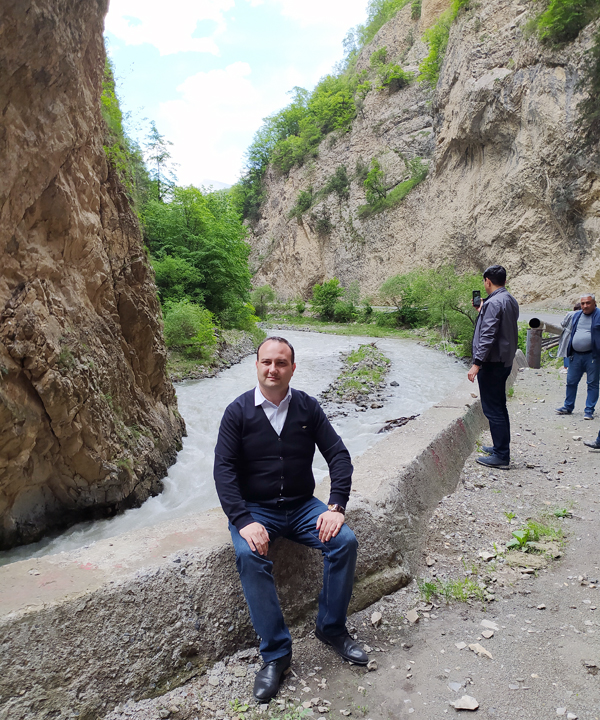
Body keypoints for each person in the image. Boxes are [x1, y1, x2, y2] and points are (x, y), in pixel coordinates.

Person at [213, 336, 368, 703]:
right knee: (250, 555)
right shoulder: (237, 412)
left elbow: (339, 456)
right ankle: (277, 654)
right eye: (267, 362)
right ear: (256, 365)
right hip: (255, 510)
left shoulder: (307, 408)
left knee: (344, 542)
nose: (273, 369)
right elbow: (224, 472)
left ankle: (331, 628)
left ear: (293, 368)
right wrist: (243, 519)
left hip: (302, 507)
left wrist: (336, 506)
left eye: (281, 363)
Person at [467, 265, 519, 469]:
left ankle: (501, 456)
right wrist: (482, 311)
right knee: (499, 406)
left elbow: (488, 336)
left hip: (492, 363)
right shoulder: (509, 299)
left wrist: (476, 364)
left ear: (487, 281)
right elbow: (501, 327)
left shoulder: (493, 302)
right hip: (504, 361)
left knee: (493, 409)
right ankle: (500, 448)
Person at [556, 294, 600, 421]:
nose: (585, 306)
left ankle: (589, 410)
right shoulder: (577, 315)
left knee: (592, 383)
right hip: (575, 355)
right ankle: (568, 406)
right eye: (582, 303)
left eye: (588, 303)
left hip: (592, 356)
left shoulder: (599, 315)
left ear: (594, 303)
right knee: (571, 381)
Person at [557, 303, 582, 374]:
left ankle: (566, 367)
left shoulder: (570, 313)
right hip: (578, 334)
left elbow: (563, 323)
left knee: (566, 350)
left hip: (568, 334)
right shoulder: (583, 314)